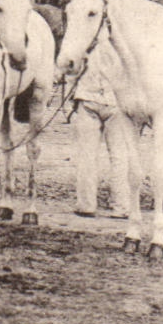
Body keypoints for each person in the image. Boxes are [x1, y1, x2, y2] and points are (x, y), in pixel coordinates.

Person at [69, 36, 136, 220]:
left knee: (88, 154)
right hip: (114, 102)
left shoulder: (83, 40)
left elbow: (71, 69)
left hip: (90, 99)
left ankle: (86, 205)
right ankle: (121, 206)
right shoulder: (123, 41)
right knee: (119, 155)